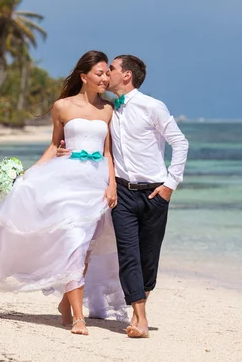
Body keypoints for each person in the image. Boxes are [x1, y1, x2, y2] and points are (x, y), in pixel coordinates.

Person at [0, 50, 128, 336]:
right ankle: (79, 318)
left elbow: (108, 153)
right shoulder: (62, 107)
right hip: (66, 180)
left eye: (106, 73)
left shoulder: (108, 110)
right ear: (84, 76)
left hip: (96, 183)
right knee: (72, 241)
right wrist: (29, 175)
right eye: (99, 74)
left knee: (85, 249)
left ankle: (66, 304)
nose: (104, 78)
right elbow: (54, 146)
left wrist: (112, 184)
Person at [58, 55, 189, 338]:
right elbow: (91, 140)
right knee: (128, 254)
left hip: (155, 192)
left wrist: (169, 185)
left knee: (148, 258)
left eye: (112, 70)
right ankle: (139, 318)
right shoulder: (107, 109)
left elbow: (180, 143)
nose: (106, 76)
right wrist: (63, 150)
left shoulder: (152, 106)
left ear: (126, 75)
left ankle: (139, 310)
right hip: (122, 193)